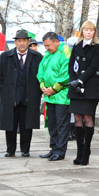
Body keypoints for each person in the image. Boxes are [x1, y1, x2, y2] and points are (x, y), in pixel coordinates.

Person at [0, 30, 42, 157]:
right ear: (15, 42)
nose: (21, 43)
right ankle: (10, 149)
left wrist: (37, 92)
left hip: (29, 97)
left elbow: (41, 76)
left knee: (27, 125)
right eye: (19, 41)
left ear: (28, 42)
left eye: (24, 41)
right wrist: (2, 91)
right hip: (10, 97)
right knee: (10, 124)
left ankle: (25, 150)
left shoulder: (37, 57)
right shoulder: (5, 56)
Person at [69, 20, 99, 165]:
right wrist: (73, 81)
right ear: (82, 32)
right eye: (86, 30)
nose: (88, 32)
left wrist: (80, 81)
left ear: (94, 32)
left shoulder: (97, 47)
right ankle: (79, 151)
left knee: (88, 118)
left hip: (90, 87)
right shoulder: (77, 46)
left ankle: (86, 151)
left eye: (91, 30)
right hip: (76, 88)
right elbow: (71, 66)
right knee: (77, 118)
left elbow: (93, 66)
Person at [36, 32, 71, 160]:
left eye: (48, 45)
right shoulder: (47, 55)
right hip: (49, 96)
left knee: (61, 124)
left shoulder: (65, 53)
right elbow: (41, 71)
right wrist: (43, 86)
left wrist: (54, 89)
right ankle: (53, 148)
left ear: (57, 42)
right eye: (45, 46)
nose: (47, 48)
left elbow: (66, 74)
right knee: (51, 124)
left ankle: (60, 151)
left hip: (62, 96)